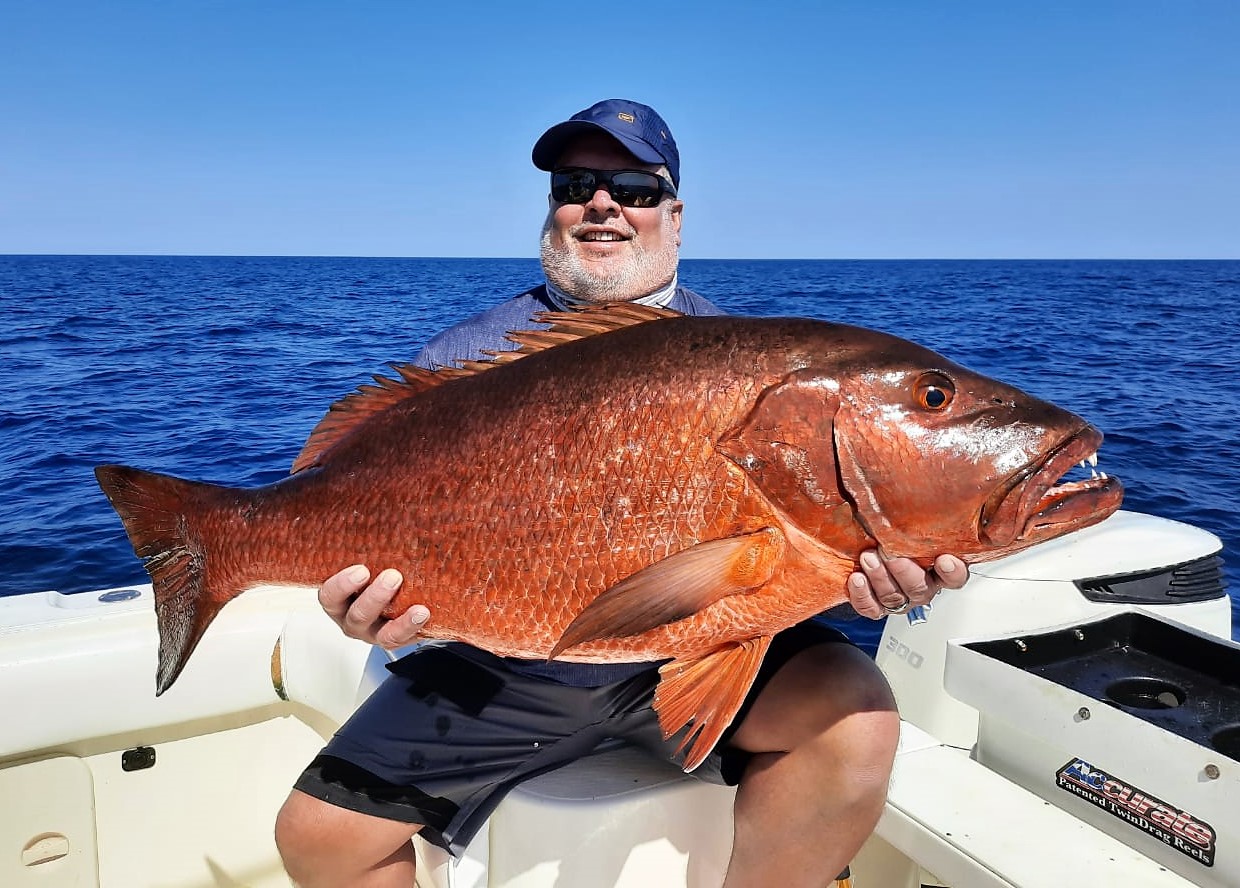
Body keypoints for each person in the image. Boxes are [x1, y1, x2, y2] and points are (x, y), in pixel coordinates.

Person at [274, 99, 969, 888]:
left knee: (859, 720)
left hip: (699, 648)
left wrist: (870, 590)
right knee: (316, 840)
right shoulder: (464, 356)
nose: (602, 204)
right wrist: (367, 612)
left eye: (634, 187)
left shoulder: (737, 356)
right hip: (504, 668)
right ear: (551, 213)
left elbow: (784, 567)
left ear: (675, 218)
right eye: (576, 184)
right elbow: (360, 509)